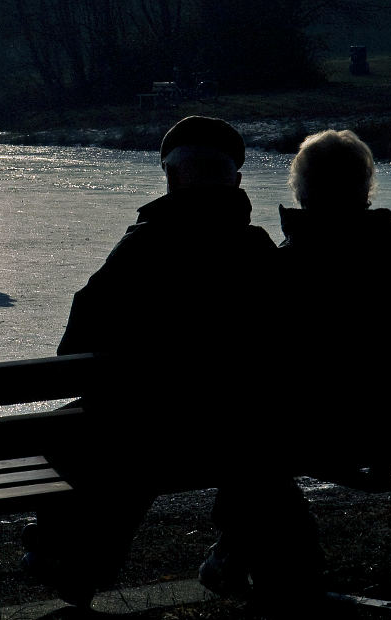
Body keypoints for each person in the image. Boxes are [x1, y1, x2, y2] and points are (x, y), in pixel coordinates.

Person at [32, 116, 280, 613]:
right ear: (235, 180)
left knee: (87, 435)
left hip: (155, 431)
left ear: (171, 177)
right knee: (138, 435)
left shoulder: (144, 248)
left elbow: (76, 347)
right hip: (242, 431)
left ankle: (75, 564)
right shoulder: (258, 250)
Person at [202, 129, 391, 614]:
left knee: (241, 435)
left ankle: (276, 567)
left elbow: (249, 360)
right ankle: (251, 559)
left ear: (302, 191)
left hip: (310, 430)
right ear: (365, 189)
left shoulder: (285, 269)